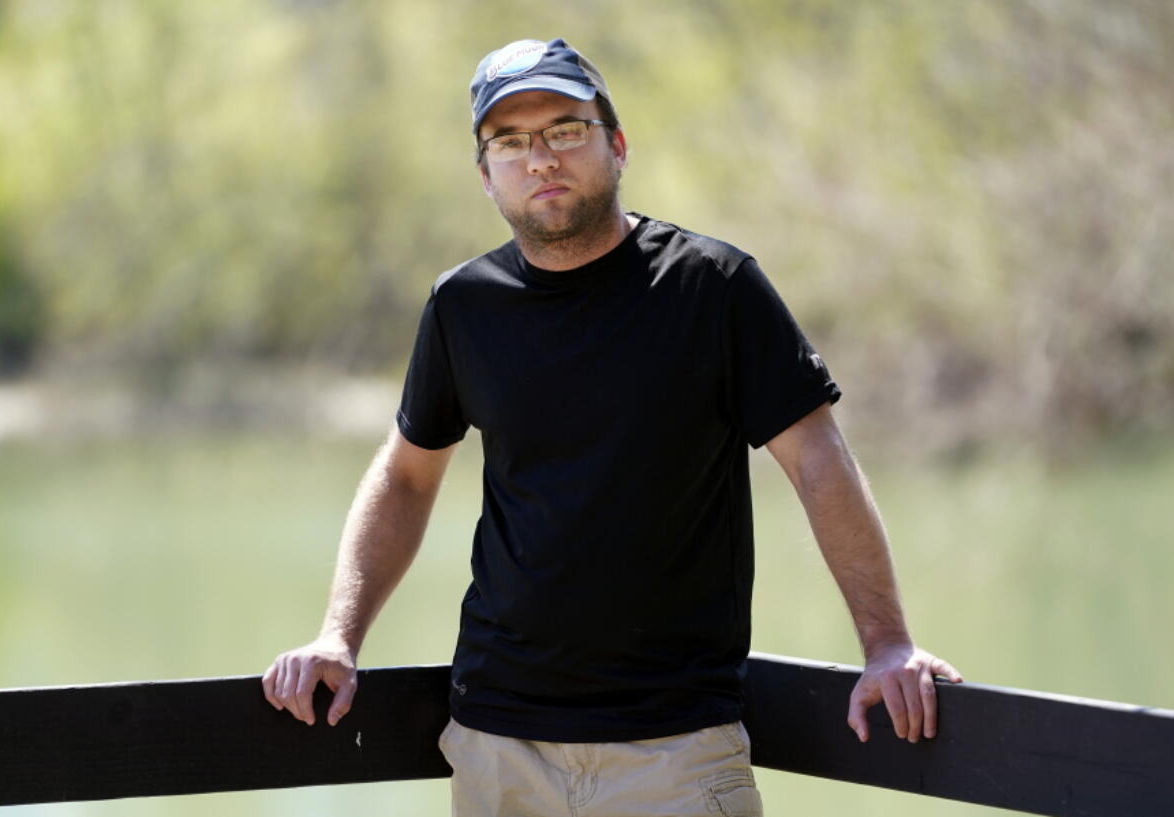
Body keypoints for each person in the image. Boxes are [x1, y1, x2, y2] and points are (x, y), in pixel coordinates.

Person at [263, 37, 962, 816]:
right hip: (499, 748)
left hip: (675, 750)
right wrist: (339, 635)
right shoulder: (464, 306)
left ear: (616, 145)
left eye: (566, 129)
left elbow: (819, 463)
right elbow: (405, 475)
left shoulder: (713, 288)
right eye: (512, 141)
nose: (542, 158)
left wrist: (887, 642)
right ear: (486, 174)